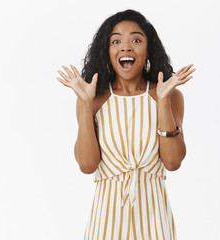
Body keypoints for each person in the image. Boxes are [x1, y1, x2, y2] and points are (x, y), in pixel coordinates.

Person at [57, 9, 196, 240]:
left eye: (136, 39)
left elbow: (173, 162)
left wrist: (162, 102)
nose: (126, 47)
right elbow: (87, 165)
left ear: (148, 48)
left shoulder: (170, 96)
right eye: (116, 41)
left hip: (154, 222)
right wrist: (84, 104)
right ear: (108, 51)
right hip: (106, 222)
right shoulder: (94, 99)